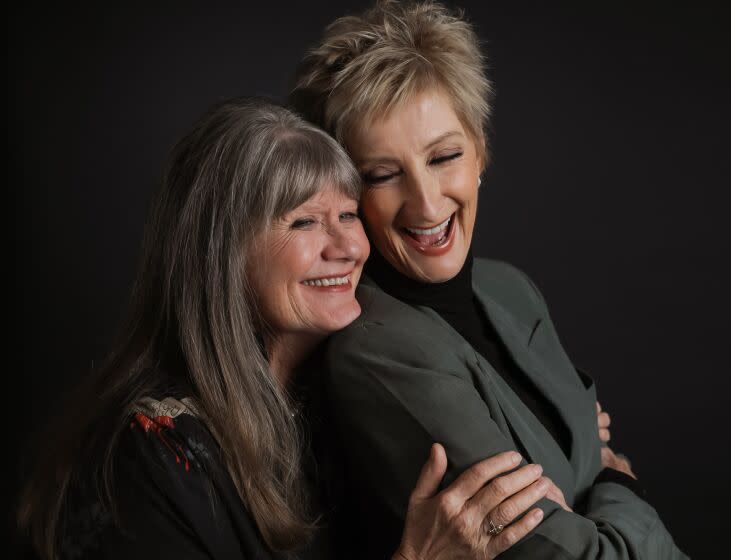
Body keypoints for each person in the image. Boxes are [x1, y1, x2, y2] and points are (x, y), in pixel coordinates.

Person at [16, 97, 554, 559]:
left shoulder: (337, 396)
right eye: (303, 222)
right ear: (219, 255)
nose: (347, 248)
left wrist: (573, 438)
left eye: (348, 215)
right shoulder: (144, 459)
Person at [290, 1, 690, 557]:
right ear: (347, 193)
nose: (427, 203)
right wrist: (619, 484)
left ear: (481, 151)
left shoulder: (508, 288)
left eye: (445, 155)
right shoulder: (377, 350)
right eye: (382, 175)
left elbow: (581, 441)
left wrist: (591, 494)